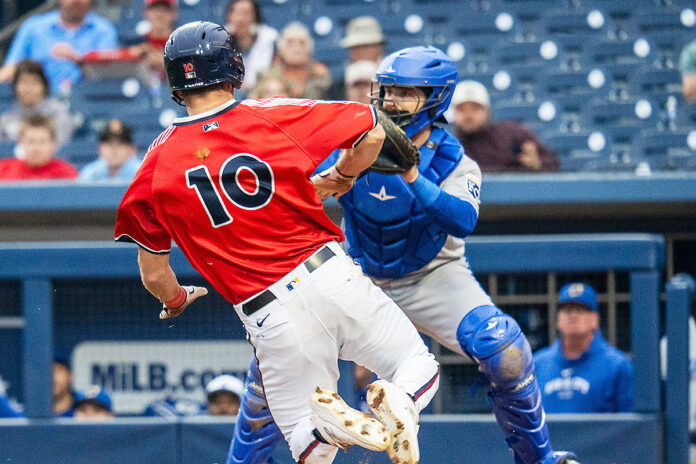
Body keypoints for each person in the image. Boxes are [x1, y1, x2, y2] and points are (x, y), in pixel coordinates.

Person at [229, 46, 579, 464]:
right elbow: (302, 180)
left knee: (504, 350)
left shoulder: (455, 160)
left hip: (433, 276)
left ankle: (538, 459)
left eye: (405, 93)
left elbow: (462, 220)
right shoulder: (353, 138)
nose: (390, 102)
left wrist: (411, 172)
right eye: (386, 91)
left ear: (435, 98)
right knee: (270, 365)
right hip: (357, 274)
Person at [114, 21, 440, 464]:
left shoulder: (152, 168)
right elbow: (374, 131)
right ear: (232, 66)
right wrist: (342, 177)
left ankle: (326, 429)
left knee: (309, 451)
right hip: (328, 273)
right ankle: (399, 399)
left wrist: (174, 299)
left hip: (268, 314)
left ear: (175, 81)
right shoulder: (273, 113)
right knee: (418, 367)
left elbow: (154, 273)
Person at [534, 283, 633, 413]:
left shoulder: (617, 365)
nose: (573, 316)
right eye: (567, 310)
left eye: (581, 310)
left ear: (595, 319)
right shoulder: (537, 364)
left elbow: (630, 425)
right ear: (558, 319)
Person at [0, 0, 118, 95]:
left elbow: (106, 76)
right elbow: (11, 67)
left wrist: (78, 60)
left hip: (86, 100)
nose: (76, 1)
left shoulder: (105, 30)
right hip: (38, 104)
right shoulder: (33, 27)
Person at [452, 80, 560, 173]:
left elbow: (554, 165)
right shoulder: (448, 147)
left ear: (487, 111)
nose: (468, 115)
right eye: (461, 109)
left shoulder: (512, 135)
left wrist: (538, 165)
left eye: (475, 109)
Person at [0, 60, 73, 146]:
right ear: (15, 87)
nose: (29, 88)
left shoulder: (59, 114)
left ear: (44, 86)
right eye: (24, 82)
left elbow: (61, 146)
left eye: (34, 82)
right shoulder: (7, 119)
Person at [261, 22, 330, 100]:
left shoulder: (320, 75)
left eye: (302, 43)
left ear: (309, 50)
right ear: (281, 49)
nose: (296, 49)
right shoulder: (266, 75)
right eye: (290, 43)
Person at [0, 115, 78, 181]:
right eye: (31, 141)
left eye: (42, 142)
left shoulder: (67, 173)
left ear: (54, 144)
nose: (36, 148)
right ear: (21, 143)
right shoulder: (3, 169)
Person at [224, 0, 277, 93]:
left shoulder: (269, 39)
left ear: (255, 17)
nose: (240, 19)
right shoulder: (220, 39)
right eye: (237, 13)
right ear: (229, 17)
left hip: (261, 93)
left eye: (246, 13)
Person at [328, 16, 385, 101]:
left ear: (378, 48)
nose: (360, 52)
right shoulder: (337, 88)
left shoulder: (392, 85)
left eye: (366, 46)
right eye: (355, 47)